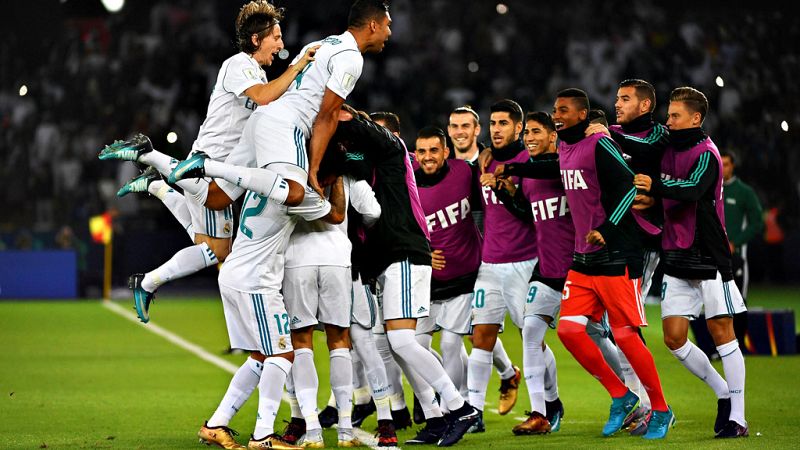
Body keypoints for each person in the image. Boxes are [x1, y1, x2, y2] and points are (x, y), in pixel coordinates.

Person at [97, 0, 318, 323]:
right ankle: (149, 155)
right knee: (217, 247)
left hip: (218, 167)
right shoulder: (239, 65)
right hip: (210, 164)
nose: (281, 45)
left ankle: (158, 186)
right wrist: (296, 67)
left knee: (207, 244)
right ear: (257, 39)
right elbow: (263, 96)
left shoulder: (255, 71)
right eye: (276, 37)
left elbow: (273, 100)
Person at [498, 89, 673, 440]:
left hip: (618, 256)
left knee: (625, 335)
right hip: (583, 260)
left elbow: (626, 188)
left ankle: (661, 409)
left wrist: (607, 229)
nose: (556, 114)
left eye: (564, 110)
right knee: (568, 331)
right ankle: (621, 395)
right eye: (554, 108)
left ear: (583, 115)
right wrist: (514, 166)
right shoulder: (565, 147)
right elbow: (553, 166)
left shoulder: (601, 145)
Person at [332, 106, 480, 447]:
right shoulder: (369, 165)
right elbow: (346, 160)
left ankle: (460, 408)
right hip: (388, 258)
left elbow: (352, 134)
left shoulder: (392, 147)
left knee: (402, 342)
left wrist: (334, 110)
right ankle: (434, 417)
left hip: (405, 253)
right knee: (398, 347)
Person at [633, 87, 749, 438]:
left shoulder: (707, 153)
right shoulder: (667, 147)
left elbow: (692, 190)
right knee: (673, 338)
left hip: (709, 255)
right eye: (667, 115)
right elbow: (639, 151)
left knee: (721, 333)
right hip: (676, 254)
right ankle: (723, 393)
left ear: (695, 118)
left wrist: (654, 186)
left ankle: (738, 418)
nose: (668, 121)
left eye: (675, 116)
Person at [585, 78, 671, 433]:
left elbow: (643, 145)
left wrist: (604, 135)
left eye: (625, 99)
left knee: (626, 326)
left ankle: (647, 403)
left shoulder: (657, 135)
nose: (617, 103)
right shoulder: (613, 134)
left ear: (646, 105)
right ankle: (630, 395)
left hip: (642, 243)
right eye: (616, 98)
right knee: (589, 326)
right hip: (608, 241)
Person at [280, 166, 383, 447]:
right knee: (340, 341)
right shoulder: (347, 172)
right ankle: (345, 429)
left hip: (297, 258)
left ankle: (312, 430)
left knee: (301, 342)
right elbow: (373, 212)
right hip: (337, 257)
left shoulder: (291, 167)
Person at [483, 112, 569, 435]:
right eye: (528, 132)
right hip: (545, 269)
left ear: (553, 137)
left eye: (537, 132)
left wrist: (511, 168)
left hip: (580, 268)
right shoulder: (529, 176)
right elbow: (526, 213)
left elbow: (553, 167)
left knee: (599, 340)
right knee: (530, 333)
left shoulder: (566, 165)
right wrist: (506, 190)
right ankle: (541, 412)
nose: (531, 137)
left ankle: (635, 397)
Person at [468, 99, 536, 428]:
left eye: (503, 123)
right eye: (493, 123)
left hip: (525, 260)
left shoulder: (529, 161)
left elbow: (531, 213)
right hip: (490, 263)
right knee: (480, 334)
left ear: (518, 128)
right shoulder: (485, 160)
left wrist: (506, 188)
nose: (496, 129)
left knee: (531, 336)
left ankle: (549, 403)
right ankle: (473, 412)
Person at [414, 126, 483, 413]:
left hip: (465, 275)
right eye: (422, 151)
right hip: (426, 280)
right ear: (414, 155)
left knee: (452, 343)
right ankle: (443, 396)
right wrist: (424, 254)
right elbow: (401, 230)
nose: (428, 157)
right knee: (414, 345)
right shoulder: (408, 185)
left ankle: (449, 409)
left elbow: (487, 208)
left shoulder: (466, 172)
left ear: (445, 151)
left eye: (433, 150)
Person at [721, 150, 763, 345]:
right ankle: (720, 346)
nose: (723, 168)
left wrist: (735, 243)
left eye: (726, 164)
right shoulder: (712, 189)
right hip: (714, 255)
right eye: (720, 164)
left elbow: (757, 223)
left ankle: (738, 346)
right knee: (717, 303)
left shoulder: (744, 192)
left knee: (738, 301)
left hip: (737, 256)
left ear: (733, 166)